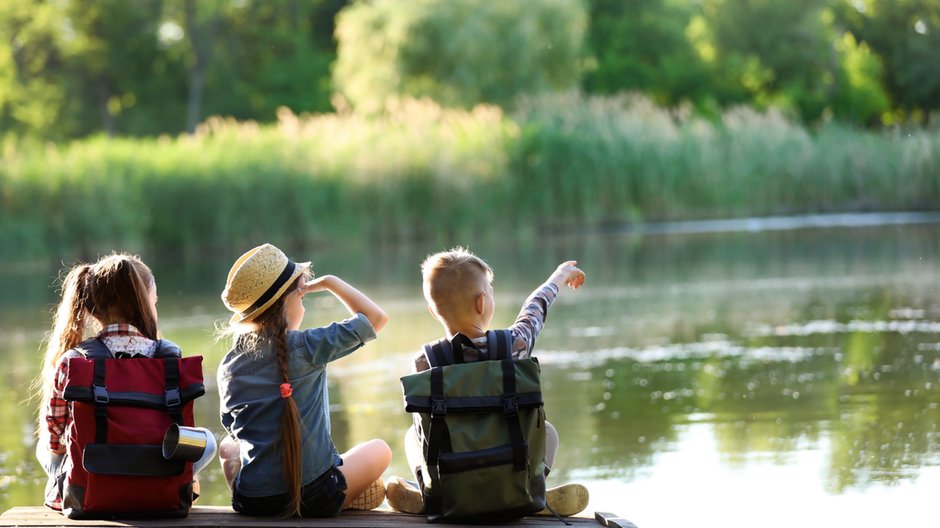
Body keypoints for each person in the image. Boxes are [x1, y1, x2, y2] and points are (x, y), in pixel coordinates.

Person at [385, 247, 590, 517]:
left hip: (452, 483)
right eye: (491, 291)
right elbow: (534, 310)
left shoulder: (425, 361)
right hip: (510, 470)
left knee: (413, 436)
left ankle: (431, 495)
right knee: (547, 431)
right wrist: (559, 276)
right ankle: (527, 490)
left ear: (434, 313)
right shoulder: (514, 346)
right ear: (482, 302)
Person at [217, 243, 392, 518]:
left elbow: (232, 427)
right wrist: (331, 283)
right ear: (287, 302)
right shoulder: (307, 346)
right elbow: (376, 318)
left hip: (253, 501)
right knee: (381, 450)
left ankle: (300, 498)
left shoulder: (229, 364)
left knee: (228, 446)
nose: (303, 305)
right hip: (317, 495)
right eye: (302, 298)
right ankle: (345, 497)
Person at [36, 253, 217, 510]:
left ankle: (59, 493)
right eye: (154, 302)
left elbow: (56, 440)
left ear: (94, 308)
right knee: (207, 439)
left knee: (44, 448)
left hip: (91, 489)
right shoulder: (170, 358)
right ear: (143, 304)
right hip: (160, 479)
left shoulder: (74, 361)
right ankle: (180, 484)